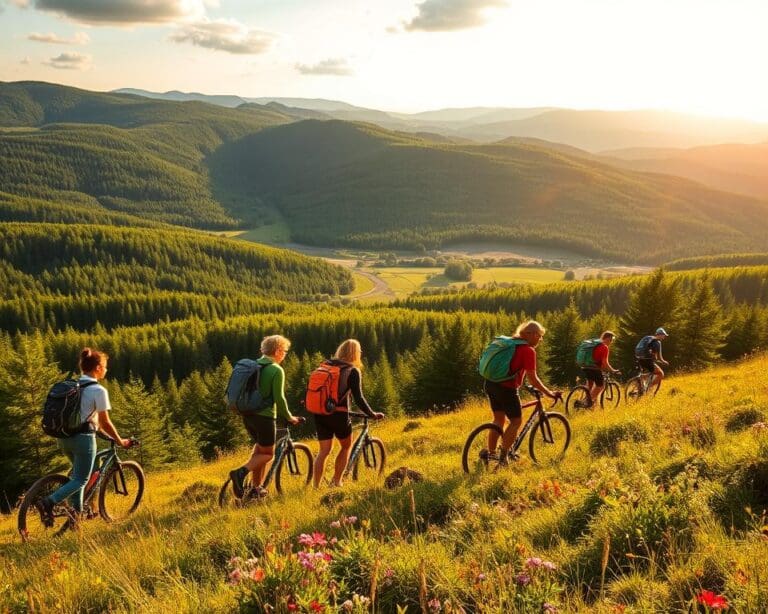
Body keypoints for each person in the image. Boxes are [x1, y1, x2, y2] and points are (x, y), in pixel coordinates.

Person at [39, 348, 131, 528]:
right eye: (105, 367)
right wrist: (120, 441)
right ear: (97, 368)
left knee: (77, 476)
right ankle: (49, 502)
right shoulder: (98, 390)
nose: (106, 370)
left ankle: (75, 518)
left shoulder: (73, 386)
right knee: (81, 479)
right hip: (83, 440)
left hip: (63, 438)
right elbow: (104, 422)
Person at [229, 334, 300, 499]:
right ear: (276, 351)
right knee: (268, 454)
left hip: (248, 416)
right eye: (284, 351)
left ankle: (256, 488)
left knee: (259, 451)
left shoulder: (254, 366)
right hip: (265, 418)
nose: (284, 355)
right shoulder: (276, 369)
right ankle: (240, 473)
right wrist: (289, 417)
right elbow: (279, 398)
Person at [483, 321, 561, 465]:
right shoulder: (527, 350)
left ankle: (490, 453)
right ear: (530, 334)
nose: (540, 339)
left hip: (490, 384)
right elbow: (534, 379)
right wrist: (550, 393)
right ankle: (503, 457)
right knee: (516, 421)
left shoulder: (510, 343)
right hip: (507, 389)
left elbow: (515, 369)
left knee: (498, 419)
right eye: (539, 335)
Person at [312, 339, 384, 488]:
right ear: (355, 353)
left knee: (323, 451)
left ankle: (315, 486)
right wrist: (371, 413)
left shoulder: (325, 366)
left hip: (319, 413)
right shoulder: (352, 371)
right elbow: (359, 398)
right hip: (338, 414)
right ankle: (336, 481)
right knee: (346, 446)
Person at [578, 331, 620, 407]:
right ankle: (586, 402)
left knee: (590, 384)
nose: (611, 342)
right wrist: (612, 370)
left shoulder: (594, 344)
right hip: (594, 368)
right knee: (601, 386)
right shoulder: (604, 347)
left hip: (585, 366)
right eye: (611, 340)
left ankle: (587, 403)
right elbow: (605, 362)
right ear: (607, 338)